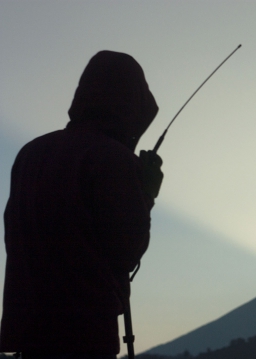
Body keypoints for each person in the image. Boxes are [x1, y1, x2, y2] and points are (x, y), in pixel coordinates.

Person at [0, 51, 163, 358]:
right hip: (85, 335)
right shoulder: (113, 159)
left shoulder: (29, 154)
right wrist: (147, 194)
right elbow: (127, 248)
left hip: (29, 333)